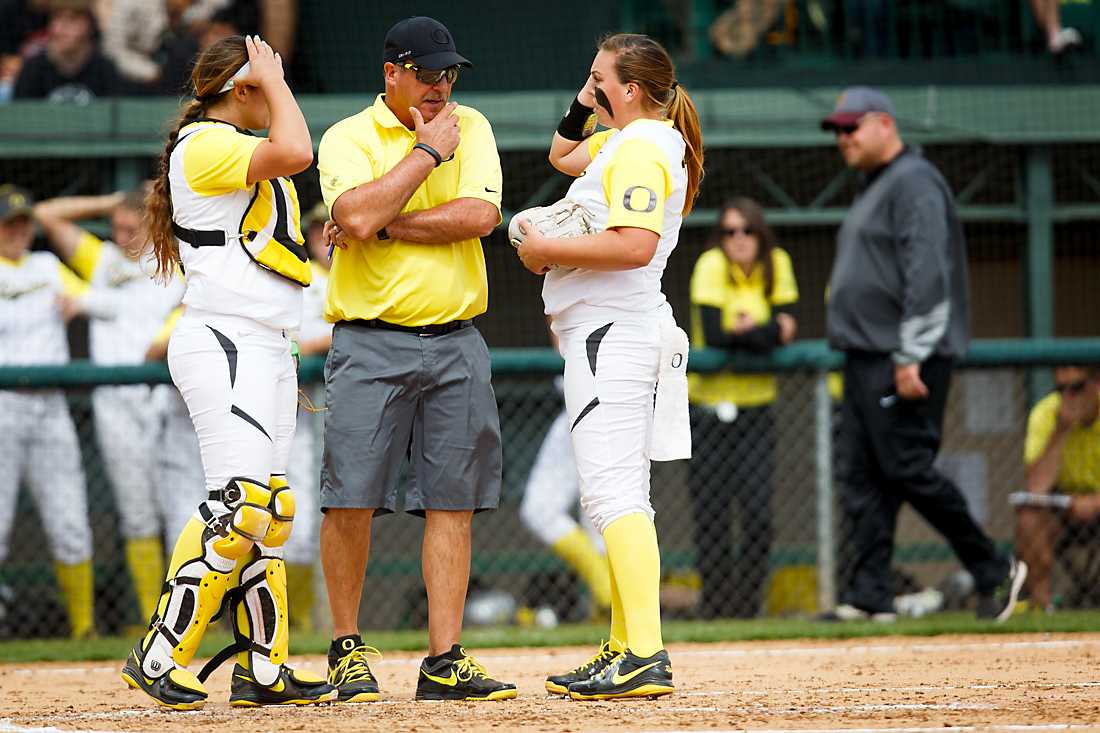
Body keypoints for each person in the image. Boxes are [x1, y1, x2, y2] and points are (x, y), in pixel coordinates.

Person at [119, 34, 334, 709]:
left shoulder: (226, 144)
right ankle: (161, 651)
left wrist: (268, 82)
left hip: (265, 343)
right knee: (239, 500)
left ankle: (263, 668)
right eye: (260, 86)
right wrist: (275, 81)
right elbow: (299, 149)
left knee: (270, 510)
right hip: (225, 339)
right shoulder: (207, 142)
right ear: (237, 90)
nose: (271, 96)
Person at [316, 16, 514, 703]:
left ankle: (445, 658)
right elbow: (353, 216)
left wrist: (388, 220)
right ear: (391, 74)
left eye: (448, 73)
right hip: (370, 340)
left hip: (458, 337)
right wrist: (426, 155)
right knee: (351, 500)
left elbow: (479, 218)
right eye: (427, 74)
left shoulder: (475, 125)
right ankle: (346, 647)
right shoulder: (346, 135)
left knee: (453, 503)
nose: (441, 86)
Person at [514, 32, 703, 700]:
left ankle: (645, 652)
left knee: (611, 495)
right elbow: (562, 152)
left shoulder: (645, 148)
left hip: (613, 331)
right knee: (621, 494)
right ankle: (626, 644)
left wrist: (547, 248)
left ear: (633, 89)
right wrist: (589, 93)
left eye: (601, 81)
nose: (590, 91)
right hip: (609, 329)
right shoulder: (626, 141)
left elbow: (633, 245)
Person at [820, 86, 1026, 624]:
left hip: (901, 355)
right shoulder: (877, 184)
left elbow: (929, 273)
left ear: (885, 124)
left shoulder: (913, 181)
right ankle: (870, 594)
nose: (843, 138)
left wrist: (911, 354)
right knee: (863, 476)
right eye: (838, 130)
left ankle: (993, 569)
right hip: (868, 356)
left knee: (907, 467)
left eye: (851, 127)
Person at [33, 188, 190, 626]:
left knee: (188, 508)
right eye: (117, 227)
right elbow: (47, 212)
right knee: (137, 512)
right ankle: (150, 618)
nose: (122, 237)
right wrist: (111, 203)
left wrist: (164, 339)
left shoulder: (178, 260)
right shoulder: (102, 260)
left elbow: (196, 305)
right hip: (116, 400)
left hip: (170, 397)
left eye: (131, 228)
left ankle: (196, 615)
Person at [686, 196, 798, 619]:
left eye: (747, 230)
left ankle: (748, 607)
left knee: (757, 513)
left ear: (760, 234)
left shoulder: (777, 262)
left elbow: (790, 325)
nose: (739, 239)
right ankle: (716, 609)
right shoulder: (711, 264)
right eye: (730, 231)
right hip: (708, 409)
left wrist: (758, 331)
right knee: (712, 514)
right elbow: (715, 335)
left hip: (756, 408)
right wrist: (766, 332)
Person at [0, 183, 96, 640]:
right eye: (8, 222)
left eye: (22, 222)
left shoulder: (48, 265)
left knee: (69, 517)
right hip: (3, 407)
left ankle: (84, 629)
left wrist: (79, 301)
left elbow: (88, 298)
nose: (17, 230)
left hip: (51, 405)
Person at [518, 324, 612, 622]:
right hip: (593, 406)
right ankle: (610, 609)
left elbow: (559, 329)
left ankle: (608, 594)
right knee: (600, 518)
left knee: (547, 510)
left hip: (595, 407)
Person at [1015, 366, 1100, 611]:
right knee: (1029, 517)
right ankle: (1043, 607)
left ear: (1096, 384)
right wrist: (1061, 429)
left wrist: (1094, 502)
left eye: (1076, 388)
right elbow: (1036, 487)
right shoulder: (1046, 412)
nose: (1068, 397)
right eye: (1061, 389)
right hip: (1065, 508)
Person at [283, 201, 331, 632]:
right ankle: (293, 622)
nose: (323, 239)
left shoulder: (356, 276)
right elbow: (294, 340)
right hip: (298, 408)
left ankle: (299, 621)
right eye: (316, 231)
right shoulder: (306, 279)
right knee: (294, 518)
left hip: (331, 413)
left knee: (315, 520)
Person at [13, 0, 121, 103]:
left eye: (72, 20)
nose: (62, 28)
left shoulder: (105, 69)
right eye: (57, 19)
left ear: (89, 24)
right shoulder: (33, 69)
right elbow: (20, 114)